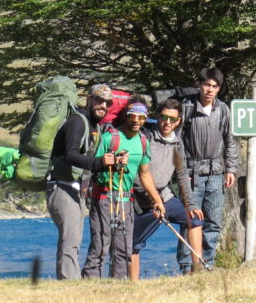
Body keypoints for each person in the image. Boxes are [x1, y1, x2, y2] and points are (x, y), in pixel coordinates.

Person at [83, 98, 165, 280]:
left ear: (145, 119)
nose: (136, 120)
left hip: (126, 199)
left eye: (141, 117)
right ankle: (89, 287)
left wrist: (157, 201)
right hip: (103, 196)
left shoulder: (143, 142)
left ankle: (118, 287)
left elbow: (145, 174)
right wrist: (109, 162)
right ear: (126, 116)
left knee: (124, 248)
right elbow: (93, 166)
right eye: (132, 116)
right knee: (100, 245)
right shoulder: (109, 138)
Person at [128, 99, 205, 280]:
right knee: (132, 244)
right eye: (163, 117)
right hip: (139, 201)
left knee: (194, 218)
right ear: (157, 117)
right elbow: (137, 177)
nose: (167, 123)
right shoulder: (144, 138)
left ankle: (198, 271)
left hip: (164, 197)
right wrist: (154, 200)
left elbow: (182, 174)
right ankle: (132, 285)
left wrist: (191, 204)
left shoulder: (177, 143)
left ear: (178, 121)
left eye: (172, 119)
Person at [46, 83, 112, 280]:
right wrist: (99, 162)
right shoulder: (77, 121)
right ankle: (69, 283)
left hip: (74, 188)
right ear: (89, 99)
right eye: (99, 100)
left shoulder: (94, 126)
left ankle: (70, 282)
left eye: (108, 102)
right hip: (62, 185)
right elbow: (70, 154)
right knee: (71, 239)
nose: (104, 105)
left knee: (72, 238)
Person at [180, 67, 239, 272]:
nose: (210, 90)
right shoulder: (186, 107)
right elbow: (177, 141)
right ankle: (188, 266)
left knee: (213, 222)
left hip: (216, 173)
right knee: (190, 221)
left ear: (219, 89)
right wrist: (180, 171)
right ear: (200, 84)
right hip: (191, 173)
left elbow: (230, 141)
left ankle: (208, 265)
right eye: (207, 85)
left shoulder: (223, 110)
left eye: (214, 86)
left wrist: (231, 168)